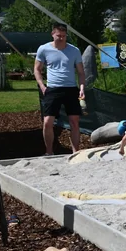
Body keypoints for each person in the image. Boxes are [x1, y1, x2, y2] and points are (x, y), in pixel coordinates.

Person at [34, 22, 86, 155]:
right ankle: (49, 151)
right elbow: (37, 69)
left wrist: (81, 88)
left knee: (74, 121)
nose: (61, 38)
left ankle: (76, 151)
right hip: (53, 88)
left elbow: (80, 72)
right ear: (53, 34)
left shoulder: (74, 50)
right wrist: (42, 86)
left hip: (70, 88)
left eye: (64, 36)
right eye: (59, 36)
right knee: (47, 122)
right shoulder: (44, 49)